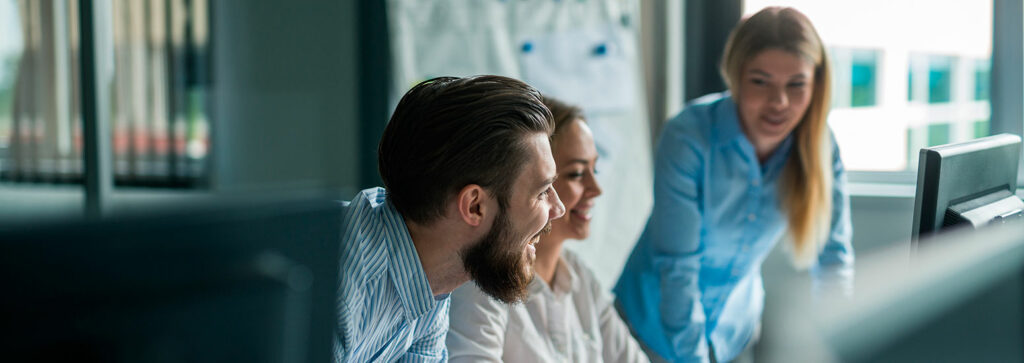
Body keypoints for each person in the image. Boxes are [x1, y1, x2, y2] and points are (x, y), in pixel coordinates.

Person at [613, 7, 853, 363]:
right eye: (761, 81)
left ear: (816, 84)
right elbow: (679, 269)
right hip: (652, 329)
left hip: (734, 332)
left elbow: (834, 261)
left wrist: (843, 346)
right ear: (735, 76)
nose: (779, 102)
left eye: (796, 85)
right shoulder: (689, 136)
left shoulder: (821, 147)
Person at [335, 75, 567, 362]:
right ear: (474, 206)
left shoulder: (430, 283)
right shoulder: (338, 279)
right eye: (542, 191)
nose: (558, 209)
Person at [446, 97, 651, 362]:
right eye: (576, 174)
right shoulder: (485, 278)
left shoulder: (579, 278)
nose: (596, 189)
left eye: (594, 169)